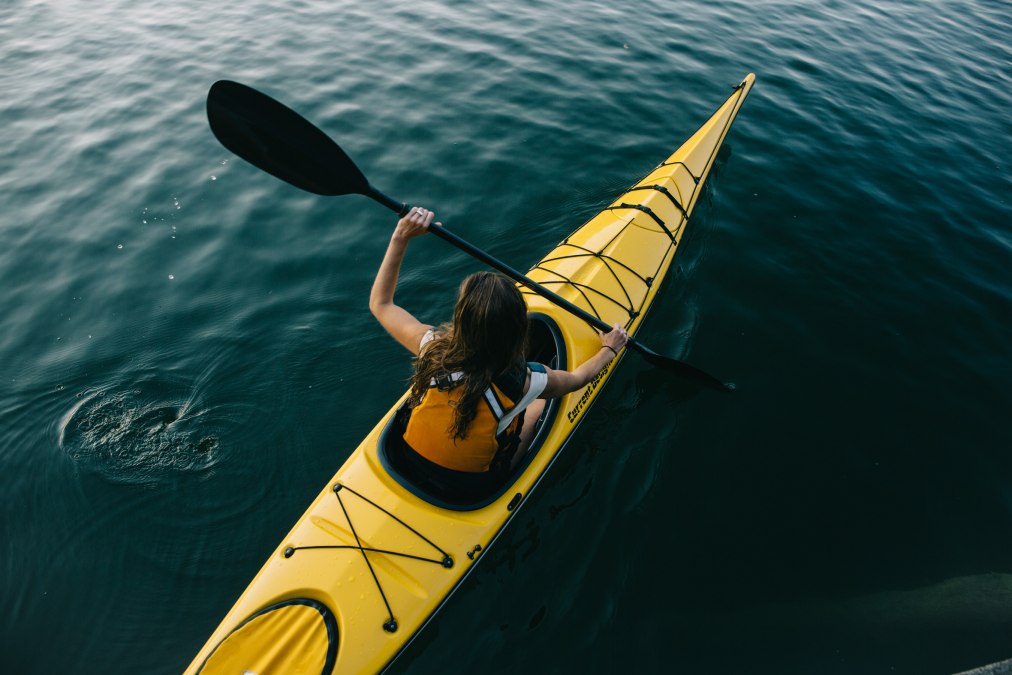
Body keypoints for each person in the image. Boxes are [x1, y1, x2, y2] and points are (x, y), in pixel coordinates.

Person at [369, 206, 628, 492]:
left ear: (461, 319)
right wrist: (610, 349)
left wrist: (400, 237)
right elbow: (579, 379)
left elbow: (381, 304)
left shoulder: (431, 347)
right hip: (469, 486)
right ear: (519, 330)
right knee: (540, 403)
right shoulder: (527, 382)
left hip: (407, 459)